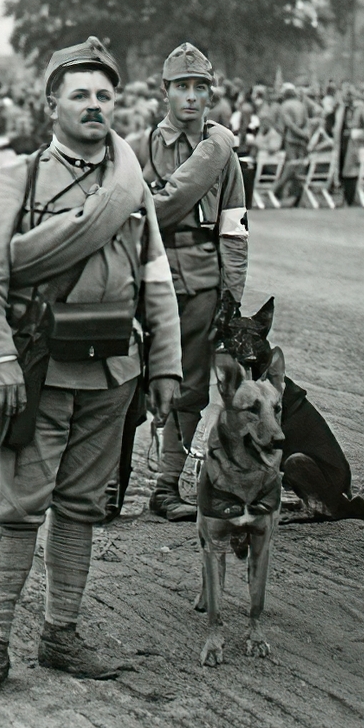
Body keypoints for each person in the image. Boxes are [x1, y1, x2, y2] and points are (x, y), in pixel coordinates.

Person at [0, 36, 182, 701]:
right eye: (80, 93)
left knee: (82, 505)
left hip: (114, 372)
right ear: (50, 102)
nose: (94, 105)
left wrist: (165, 366)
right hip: (40, 370)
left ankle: (61, 634)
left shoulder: (130, 182)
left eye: (105, 94)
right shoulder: (15, 179)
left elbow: (157, 278)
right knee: (18, 508)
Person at [136, 43, 249, 521]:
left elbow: (234, 227)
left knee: (192, 389)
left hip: (203, 281)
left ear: (210, 94)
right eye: (181, 87)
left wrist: (232, 294)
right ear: (165, 92)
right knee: (130, 381)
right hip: (154, 279)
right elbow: (139, 215)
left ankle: (166, 488)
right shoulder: (142, 147)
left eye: (199, 88)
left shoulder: (226, 157)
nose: (191, 97)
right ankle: (108, 487)